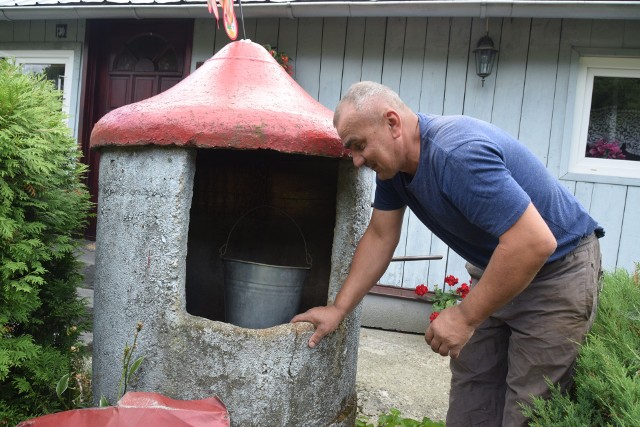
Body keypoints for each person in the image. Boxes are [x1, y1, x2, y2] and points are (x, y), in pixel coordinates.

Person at [291, 81, 603, 426]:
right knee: (473, 397)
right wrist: (338, 308)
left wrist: (466, 316)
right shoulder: (395, 171)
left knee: (530, 410)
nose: (356, 160)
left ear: (393, 123)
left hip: (556, 272)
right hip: (500, 267)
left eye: (359, 146)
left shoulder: (457, 155)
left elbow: (534, 243)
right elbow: (380, 235)